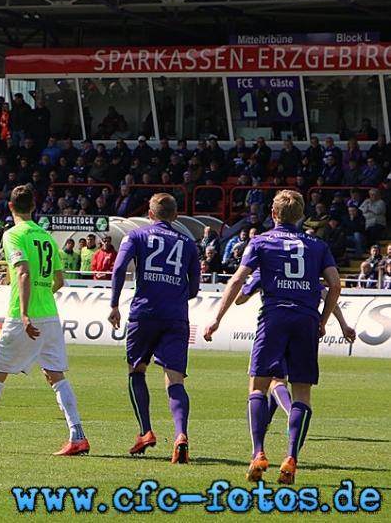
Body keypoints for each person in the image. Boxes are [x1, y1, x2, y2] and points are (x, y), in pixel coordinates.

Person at [203, 190, 348, 485]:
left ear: (273, 215)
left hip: (273, 318)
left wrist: (217, 318)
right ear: (302, 215)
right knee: (302, 393)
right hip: (305, 319)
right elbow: (334, 286)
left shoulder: (260, 241)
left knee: (258, 387)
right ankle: (291, 456)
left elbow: (237, 280)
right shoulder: (318, 245)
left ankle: (258, 453)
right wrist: (321, 321)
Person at [0, 185, 89, 455]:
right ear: (34, 207)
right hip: (49, 313)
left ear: (10, 208)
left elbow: (22, 272)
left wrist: (24, 312)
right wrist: (41, 298)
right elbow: (58, 281)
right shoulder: (47, 237)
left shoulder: (13, 234)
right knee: (54, 375)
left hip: (22, 316)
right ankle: (77, 435)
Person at [109, 193, 200, 464]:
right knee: (175, 380)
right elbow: (194, 286)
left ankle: (145, 431)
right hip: (176, 316)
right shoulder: (188, 242)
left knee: (136, 370)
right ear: (175, 216)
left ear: (150, 214)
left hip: (144, 313)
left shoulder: (136, 236)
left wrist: (114, 304)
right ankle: (181, 434)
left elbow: (118, 268)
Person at [235, 269, 357, 431]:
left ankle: (290, 412)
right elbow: (329, 296)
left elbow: (239, 299)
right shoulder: (306, 273)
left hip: (274, 327)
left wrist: (255, 285)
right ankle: (269, 421)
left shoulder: (269, 269)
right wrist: (342, 324)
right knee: (284, 380)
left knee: (274, 381)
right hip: (305, 326)